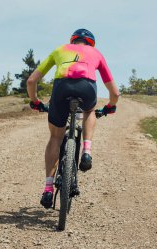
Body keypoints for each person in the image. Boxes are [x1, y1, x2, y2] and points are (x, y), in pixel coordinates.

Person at [27, 28, 119, 208]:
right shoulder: (96, 53)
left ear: (72, 41)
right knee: (89, 111)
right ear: (90, 43)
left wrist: (35, 101)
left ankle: (47, 189)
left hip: (61, 88)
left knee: (55, 137)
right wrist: (110, 106)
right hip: (87, 87)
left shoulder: (60, 50)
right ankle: (86, 151)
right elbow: (115, 92)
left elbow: (31, 81)